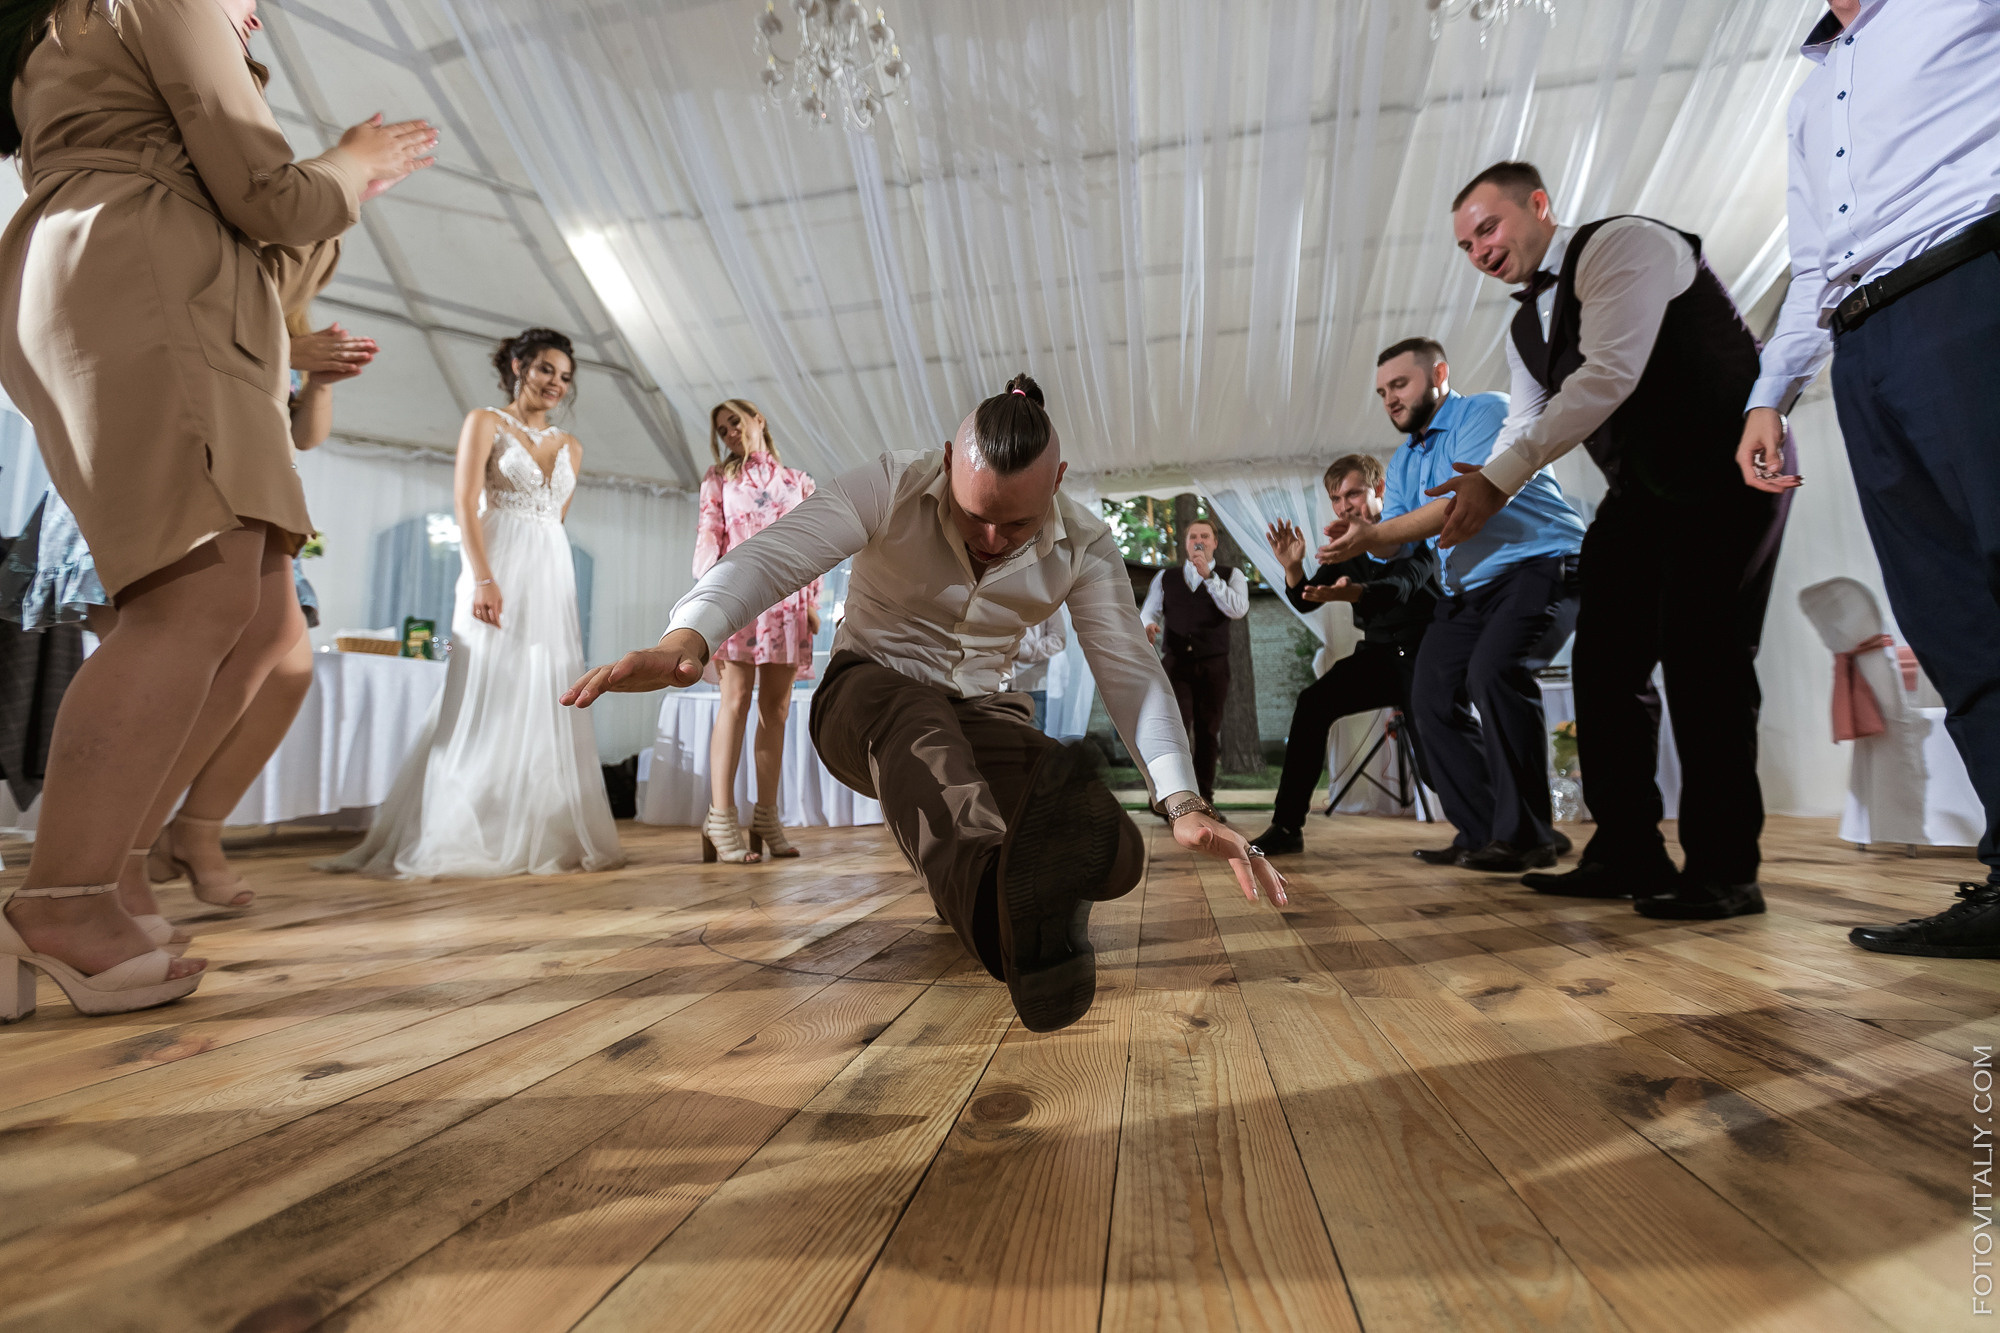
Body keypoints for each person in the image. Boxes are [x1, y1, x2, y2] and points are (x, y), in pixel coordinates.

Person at [564, 373, 1287, 1034]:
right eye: (977, 519)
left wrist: (1183, 802)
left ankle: (1053, 890)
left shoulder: (1087, 545)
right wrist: (687, 635)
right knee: (921, 730)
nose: (992, 542)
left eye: (1018, 526)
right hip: (868, 695)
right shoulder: (890, 483)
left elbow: (1130, 670)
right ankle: (997, 921)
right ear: (947, 461)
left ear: (1058, 482)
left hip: (986, 711)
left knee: (1110, 845)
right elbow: (773, 554)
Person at [0, 0, 432, 1020]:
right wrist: (354, 163)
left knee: (211, 609)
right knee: (189, 605)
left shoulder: (61, 23)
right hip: (147, 274)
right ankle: (62, 900)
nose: (252, 11)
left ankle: (95, 884)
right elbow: (269, 195)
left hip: (105, 266)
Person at [1430, 161, 1786, 921]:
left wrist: (1499, 479)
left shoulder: (1626, 243)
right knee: (1601, 665)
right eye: (1465, 245)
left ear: (1539, 205)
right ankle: (1627, 848)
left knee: (1704, 660)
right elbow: (1523, 432)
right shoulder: (1524, 327)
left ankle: (1727, 871)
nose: (1480, 252)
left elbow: (1608, 376)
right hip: (1641, 497)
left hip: (1726, 473)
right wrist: (1420, 518)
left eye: (1487, 228)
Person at [1737, 0, 2000, 956]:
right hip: (1862, 342)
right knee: (1949, 616)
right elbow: (1812, 259)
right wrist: (1771, 392)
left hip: (1975, 277)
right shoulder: (1808, 98)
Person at [1, 291, 379, 920]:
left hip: (248, 493)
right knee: (164, 665)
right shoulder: (198, 270)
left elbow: (305, 437)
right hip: (150, 475)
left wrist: (315, 378)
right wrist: (287, 352)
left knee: (288, 671)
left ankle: (192, 830)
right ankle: (106, 867)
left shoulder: (285, 311)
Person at [323, 329, 623, 879]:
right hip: (495, 564)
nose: (556, 383)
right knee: (485, 685)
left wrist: (548, 579)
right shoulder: (484, 421)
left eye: (564, 376)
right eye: (545, 370)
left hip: (549, 575)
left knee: (541, 689)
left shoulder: (572, 446)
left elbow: (557, 520)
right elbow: (464, 502)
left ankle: (539, 823)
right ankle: (462, 825)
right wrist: (484, 578)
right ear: (517, 366)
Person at [1320, 338, 1585, 872]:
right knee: (1430, 696)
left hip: (1537, 566)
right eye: (1382, 392)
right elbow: (1398, 542)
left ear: (1439, 372)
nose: (1390, 399)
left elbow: (1457, 508)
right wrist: (1365, 532)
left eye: (1400, 384)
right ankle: (1485, 831)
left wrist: (1371, 536)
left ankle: (1529, 836)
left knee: (1496, 672)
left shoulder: (1483, 411)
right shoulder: (1404, 460)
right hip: (1466, 591)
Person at [1248, 454, 1441, 856]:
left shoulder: (1412, 531)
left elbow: (1401, 586)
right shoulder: (1343, 548)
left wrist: (1355, 593)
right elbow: (1305, 601)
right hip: (1377, 657)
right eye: (1336, 498)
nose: (1343, 505)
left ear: (1380, 490)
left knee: (1434, 771)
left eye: (1352, 493)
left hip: (1425, 658)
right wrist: (1293, 568)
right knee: (1313, 703)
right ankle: (1286, 828)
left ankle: (1500, 824)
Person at [693, 399, 822, 864]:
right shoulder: (719, 479)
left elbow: (813, 544)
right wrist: (709, 600)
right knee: (735, 701)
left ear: (758, 420)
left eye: (735, 422)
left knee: (778, 710)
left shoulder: (799, 482)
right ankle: (720, 816)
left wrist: (814, 598)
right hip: (737, 598)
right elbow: (709, 536)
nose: (730, 433)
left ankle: (766, 817)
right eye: (722, 429)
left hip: (787, 604)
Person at [1139, 519, 1248, 810]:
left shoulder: (1230, 574)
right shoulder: (1166, 577)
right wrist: (1148, 625)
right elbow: (1148, 611)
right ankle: (1173, 801)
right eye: (1193, 536)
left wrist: (1209, 577)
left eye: (1205, 536)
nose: (1199, 541)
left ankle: (1205, 800)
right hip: (1176, 665)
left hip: (1213, 665)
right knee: (1175, 730)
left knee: (1208, 732)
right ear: (1185, 543)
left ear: (1214, 543)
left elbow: (1238, 609)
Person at [1007, 614, 1067, 732]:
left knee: (1033, 743)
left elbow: (1058, 640)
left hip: (1031, 686)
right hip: (996, 684)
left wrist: (1022, 650)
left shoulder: (1050, 598)